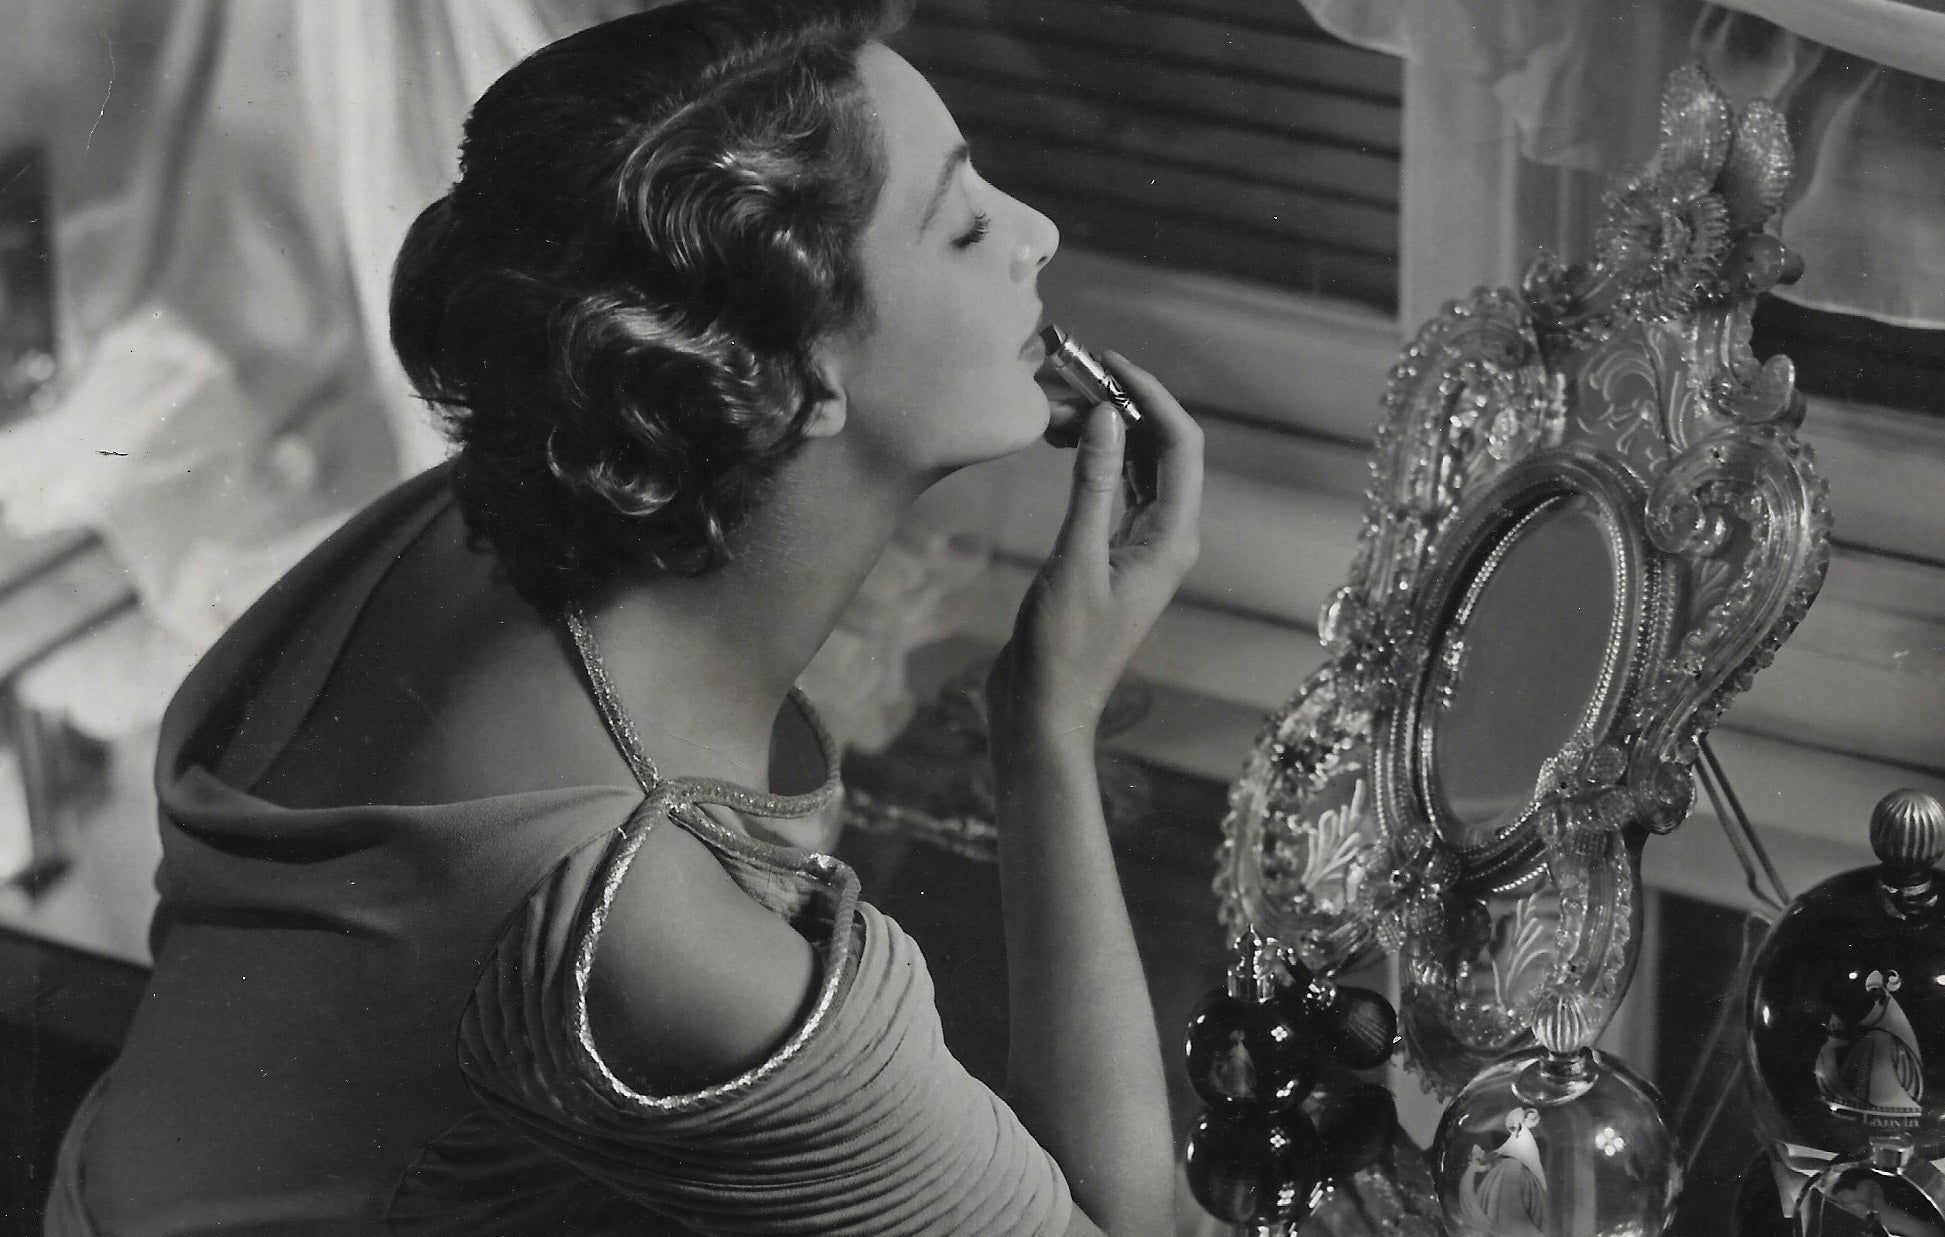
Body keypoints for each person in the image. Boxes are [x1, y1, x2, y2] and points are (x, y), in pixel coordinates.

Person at [43, 1, 1199, 1233]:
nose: (1038, 233)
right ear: (800, 375)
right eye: (965, 225)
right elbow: (1130, 1224)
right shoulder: (659, 934)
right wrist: (1046, 725)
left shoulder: (478, 509)